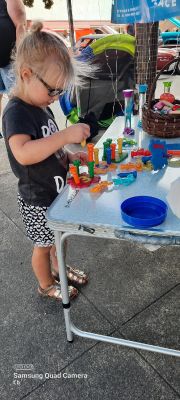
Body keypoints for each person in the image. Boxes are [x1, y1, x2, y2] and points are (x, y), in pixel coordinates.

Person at [2, 21, 91, 301]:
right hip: (36, 198)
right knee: (43, 245)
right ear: (26, 75)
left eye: (59, 92)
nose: (55, 98)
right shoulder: (16, 112)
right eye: (53, 90)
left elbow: (49, 148)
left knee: (58, 240)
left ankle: (59, 269)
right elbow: (24, 153)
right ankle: (45, 284)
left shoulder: (41, 107)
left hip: (55, 191)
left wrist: (69, 156)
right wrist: (65, 136)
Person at [0, 0, 26, 138]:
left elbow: (20, 24)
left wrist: (20, 60)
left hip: (11, 62)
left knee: (19, 100)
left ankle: (22, 133)